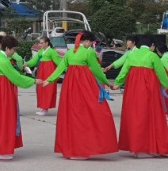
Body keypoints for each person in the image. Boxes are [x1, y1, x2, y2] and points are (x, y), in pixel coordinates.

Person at [44, 31, 118, 160]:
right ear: (88, 41)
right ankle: (84, 148)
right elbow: (96, 70)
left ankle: (72, 148)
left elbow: (61, 67)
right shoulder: (89, 52)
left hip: (70, 85)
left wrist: (49, 79)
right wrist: (108, 83)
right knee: (90, 113)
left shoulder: (70, 52)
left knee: (71, 114)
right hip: (85, 84)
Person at [0, 35, 42, 160]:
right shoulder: (4, 61)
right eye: (13, 49)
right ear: (7, 48)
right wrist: (34, 81)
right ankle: (1, 150)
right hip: (0, 93)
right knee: (3, 119)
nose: (14, 52)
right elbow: (16, 78)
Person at [114, 34, 168, 158]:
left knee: (135, 116)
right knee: (149, 116)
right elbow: (161, 74)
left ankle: (136, 147)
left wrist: (117, 83)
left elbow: (124, 71)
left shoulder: (132, 55)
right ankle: (146, 147)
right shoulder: (153, 56)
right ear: (152, 46)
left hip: (132, 90)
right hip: (149, 90)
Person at [26, 36, 62, 116]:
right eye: (40, 43)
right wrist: (26, 64)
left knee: (47, 90)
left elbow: (59, 63)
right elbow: (34, 61)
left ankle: (45, 108)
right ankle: (43, 108)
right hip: (41, 72)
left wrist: (58, 73)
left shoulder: (52, 52)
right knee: (41, 89)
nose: (40, 44)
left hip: (49, 72)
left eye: (42, 43)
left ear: (47, 43)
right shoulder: (41, 51)